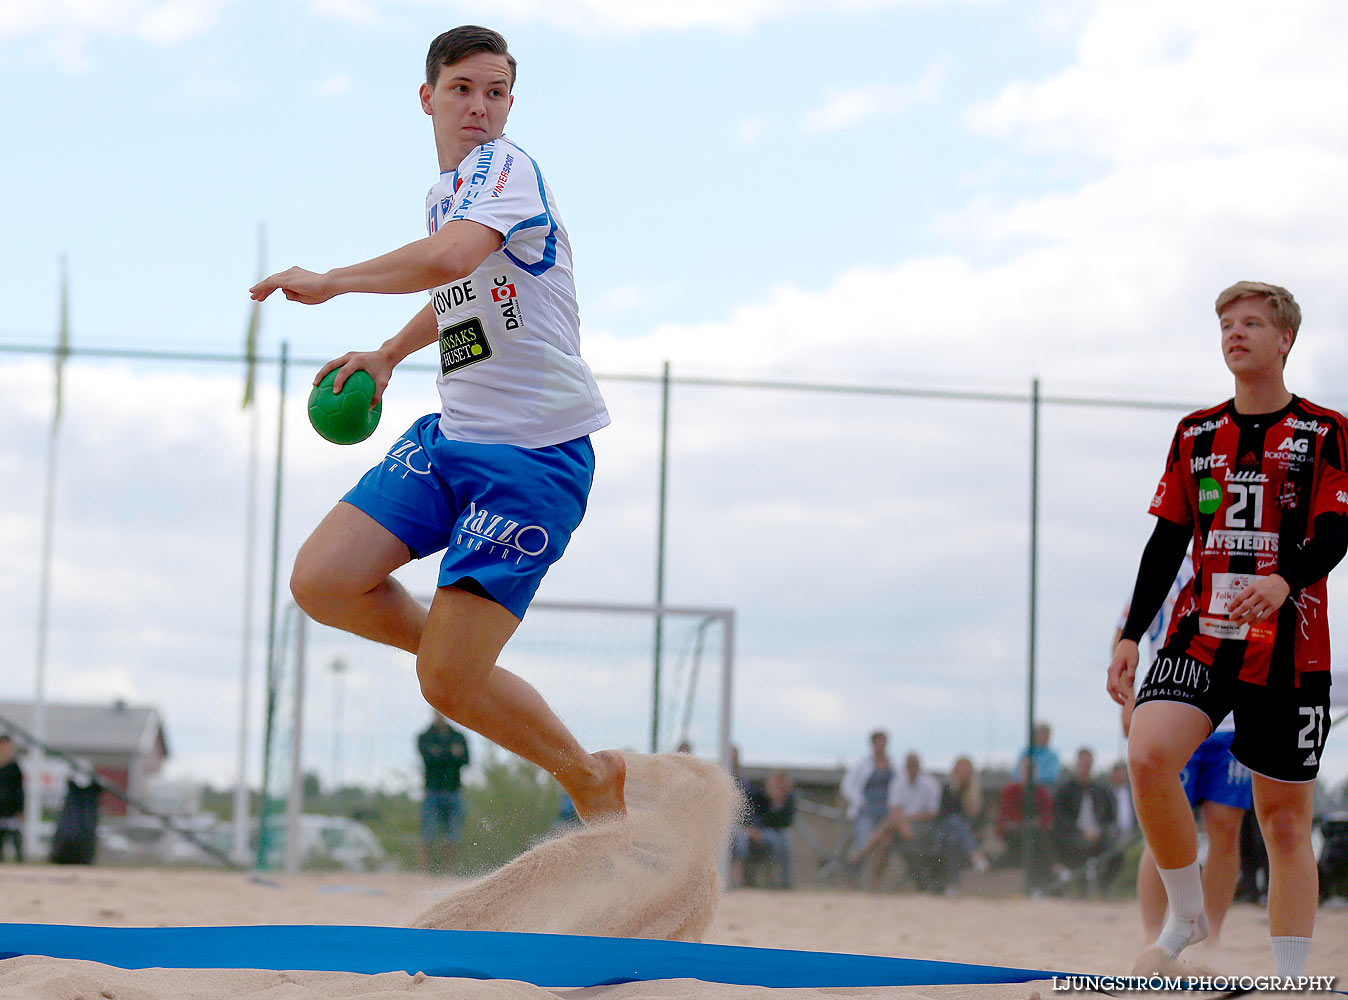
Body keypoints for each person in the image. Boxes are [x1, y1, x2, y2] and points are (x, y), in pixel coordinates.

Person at [250, 25, 624, 823]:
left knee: (449, 687)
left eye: (496, 92)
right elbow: (464, 298)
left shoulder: (507, 167)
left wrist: (333, 281)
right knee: (322, 582)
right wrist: (388, 355)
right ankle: (460, 659)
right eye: (463, 89)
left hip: (534, 459)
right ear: (428, 98)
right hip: (453, 438)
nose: (480, 107)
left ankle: (588, 778)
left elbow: (452, 260)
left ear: (511, 103)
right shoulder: (446, 195)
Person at [1107, 281, 1348, 976]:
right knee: (1149, 753)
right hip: (1201, 630)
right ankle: (1186, 918)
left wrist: (1282, 579)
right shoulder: (1195, 433)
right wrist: (1130, 635)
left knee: (1280, 822)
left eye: (1251, 323)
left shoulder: (1323, 429)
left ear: (1285, 341)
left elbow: (1336, 533)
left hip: (1291, 643)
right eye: (1225, 325)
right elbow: (1165, 542)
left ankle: (1290, 979)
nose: (1235, 334)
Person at [1050, 748, 1118, 890]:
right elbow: (1061, 819)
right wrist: (1081, 832)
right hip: (1074, 835)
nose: (1085, 768)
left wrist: (1100, 832)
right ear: (1077, 764)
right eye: (1083, 764)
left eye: (1088, 764)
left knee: (1116, 854)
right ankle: (1082, 889)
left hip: (1098, 835)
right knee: (1081, 849)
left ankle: (1103, 888)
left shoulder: (1101, 791)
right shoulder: (1065, 790)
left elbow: (1110, 818)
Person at [839, 730, 895, 887]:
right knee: (862, 843)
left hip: (886, 812)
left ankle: (874, 883)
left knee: (883, 845)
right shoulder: (862, 764)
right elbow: (847, 786)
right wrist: (860, 802)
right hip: (867, 810)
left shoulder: (893, 764)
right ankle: (852, 880)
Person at [418, 713, 470, 872]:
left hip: (453, 791)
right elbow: (429, 759)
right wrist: (451, 754)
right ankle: (424, 871)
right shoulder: (425, 736)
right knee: (428, 832)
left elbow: (466, 760)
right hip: (433, 791)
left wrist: (440, 753)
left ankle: (447, 870)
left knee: (453, 834)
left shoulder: (459, 736)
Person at [930, 755, 990, 891]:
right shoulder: (948, 790)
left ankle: (953, 885)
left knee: (954, 840)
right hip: (943, 833)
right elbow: (942, 817)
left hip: (963, 837)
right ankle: (976, 855)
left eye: (966, 770)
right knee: (954, 820)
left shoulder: (977, 794)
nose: (964, 773)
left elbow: (980, 821)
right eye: (961, 769)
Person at [995, 758, 1054, 887]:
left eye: (1032, 771)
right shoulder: (1010, 790)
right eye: (1026, 770)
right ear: (1020, 771)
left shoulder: (1041, 792)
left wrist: (1033, 823)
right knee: (1035, 837)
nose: (1029, 774)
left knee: (1036, 839)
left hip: (1033, 836)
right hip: (1013, 833)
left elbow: (1047, 816)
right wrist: (1030, 823)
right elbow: (1009, 817)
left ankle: (1037, 884)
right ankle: (1051, 873)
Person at [736, 769, 796, 889]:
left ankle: (783, 882)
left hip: (774, 833)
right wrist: (753, 830)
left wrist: (778, 804)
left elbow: (785, 822)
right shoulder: (758, 796)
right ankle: (742, 881)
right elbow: (752, 816)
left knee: (781, 841)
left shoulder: (788, 800)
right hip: (754, 831)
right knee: (742, 841)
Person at [0, 735, 24, 862]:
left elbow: (19, 791)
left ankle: (21, 863)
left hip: (11, 810)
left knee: (16, 839)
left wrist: (20, 809)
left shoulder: (14, 768)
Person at [1016, 721, 1060, 787]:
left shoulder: (1052, 755)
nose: (1045, 737)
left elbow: (1052, 775)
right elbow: (1016, 773)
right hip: (1024, 789)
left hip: (1045, 790)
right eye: (1042, 734)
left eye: (1047, 735)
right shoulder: (1026, 752)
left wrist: (1032, 777)